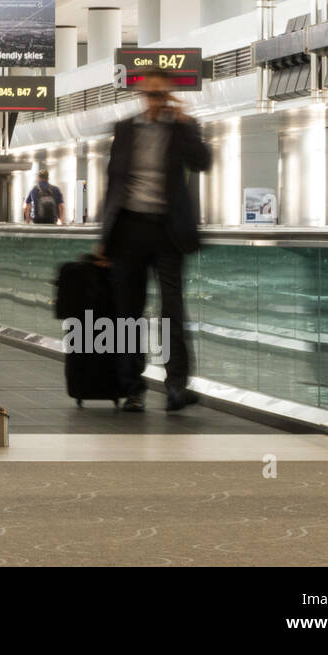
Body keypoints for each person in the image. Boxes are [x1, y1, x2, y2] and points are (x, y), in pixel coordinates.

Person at [101, 64, 212, 414]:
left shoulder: (183, 129)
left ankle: (176, 386)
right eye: (150, 94)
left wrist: (186, 124)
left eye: (161, 94)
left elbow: (203, 162)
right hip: (129, 231)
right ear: (141, 95)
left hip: (168, 232)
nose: (155, 101)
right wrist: (103, 239)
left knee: (172, 312)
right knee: (128, 314)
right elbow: (113, 186)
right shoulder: (125, 130)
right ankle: (133, 389)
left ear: (170, 96)